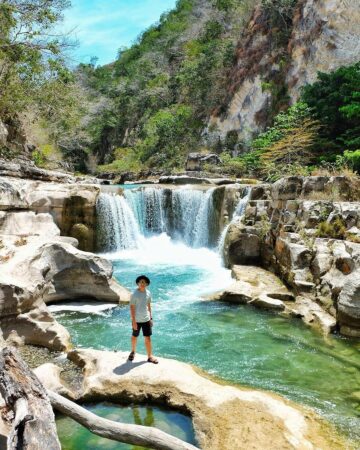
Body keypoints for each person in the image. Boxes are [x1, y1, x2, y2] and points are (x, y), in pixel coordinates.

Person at [128, 275, 158, 364]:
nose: (142, 283)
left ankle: (150, 356)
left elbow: (149, 306)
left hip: (146, 319)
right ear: (138, 283)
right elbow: (132, 308)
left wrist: (151, 318)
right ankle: (133, 351)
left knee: (148, 338)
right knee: (134, 336)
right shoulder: (134, 294)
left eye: (144, 282)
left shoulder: (148, 293)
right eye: (140, 282)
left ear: (146, 284)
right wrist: (133, 321)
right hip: (137, 320)